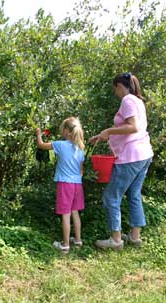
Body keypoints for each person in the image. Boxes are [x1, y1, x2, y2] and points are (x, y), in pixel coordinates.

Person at [89, 73, 153, 250]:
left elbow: (132, 127)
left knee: (111, 196)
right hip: (143, 154)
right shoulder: (138, 101)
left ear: (119, 86)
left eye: (115, 88)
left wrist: (109, 130)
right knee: (133, 195)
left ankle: (116, 239)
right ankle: (135, 236)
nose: (115, 92)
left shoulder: (128, 100)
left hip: (130, 156)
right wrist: (103, 135)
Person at [36, 116, 85, 253]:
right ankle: (78, 240)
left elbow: (41, 145)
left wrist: (38, 133)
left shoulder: (60, 145)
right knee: (75, 212)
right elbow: (81, 170)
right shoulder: (80, 149)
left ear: (67, 132)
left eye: (63, 128)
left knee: (65, 213)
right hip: (77, 184)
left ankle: (65, 245)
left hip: (65, 184)